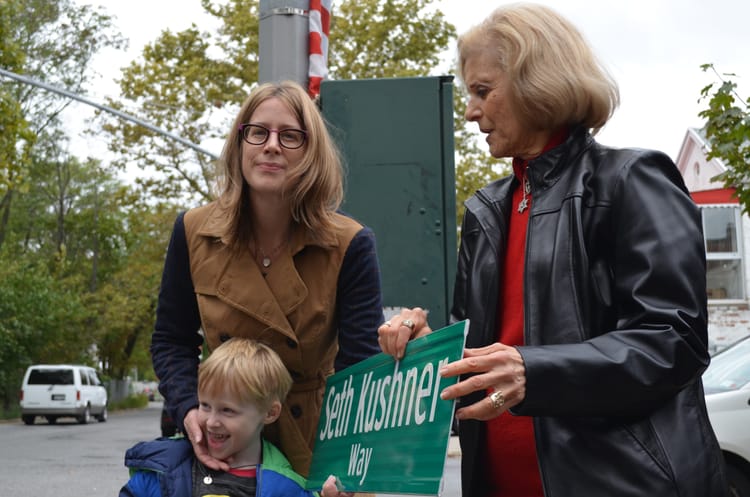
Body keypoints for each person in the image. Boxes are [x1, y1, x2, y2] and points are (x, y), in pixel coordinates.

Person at [379, 4, 729, 497]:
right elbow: (486, 359)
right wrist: (427, 346)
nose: (471, 111)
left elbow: (674, 340)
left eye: (482, 91)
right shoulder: (486, 211)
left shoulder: (631, 180)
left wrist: (535, 370)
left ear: (535, 80)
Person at [151, 80, 384, 478]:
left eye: (290, 136)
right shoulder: (192, 230)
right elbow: (172, 339)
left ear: (311, 153)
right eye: (258, 132)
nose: (271, 145)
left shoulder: (350, 243)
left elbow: (360, 368)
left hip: (315, 442)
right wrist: (190, 407)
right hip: (218, 441)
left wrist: (346, 466)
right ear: (240, 143)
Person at [120, 338, 344, 497]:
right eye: (205, 405)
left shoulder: (288, 487)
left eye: (227, 410)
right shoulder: (163, 470)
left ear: (269, 413)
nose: (211, 421)